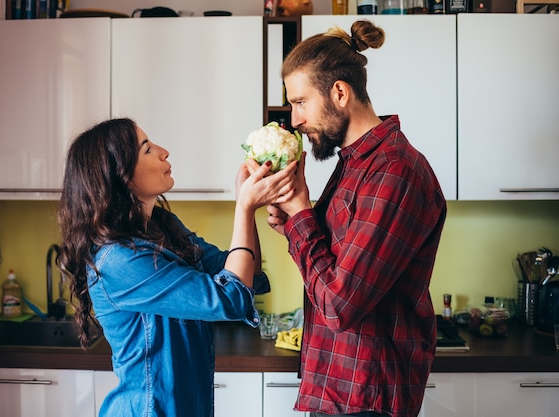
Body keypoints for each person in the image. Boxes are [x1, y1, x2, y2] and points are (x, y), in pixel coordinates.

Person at [263, 20, 447, 417]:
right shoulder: (354, 164)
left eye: (299, 102)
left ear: (340, 93)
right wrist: (294, 225)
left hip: (369, 398)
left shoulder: (395, 172)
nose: (294, 119)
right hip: (340, 390)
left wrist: (300, 215)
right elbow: (336, 270)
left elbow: (338, 306)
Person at [57, 117, 297, 417]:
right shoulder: (118, 261)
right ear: (119, 175)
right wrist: (245, 207)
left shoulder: (163, 226)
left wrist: (246, 201)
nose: (164, 152)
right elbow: (230, 299)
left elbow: (244, 273)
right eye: (147, 149)